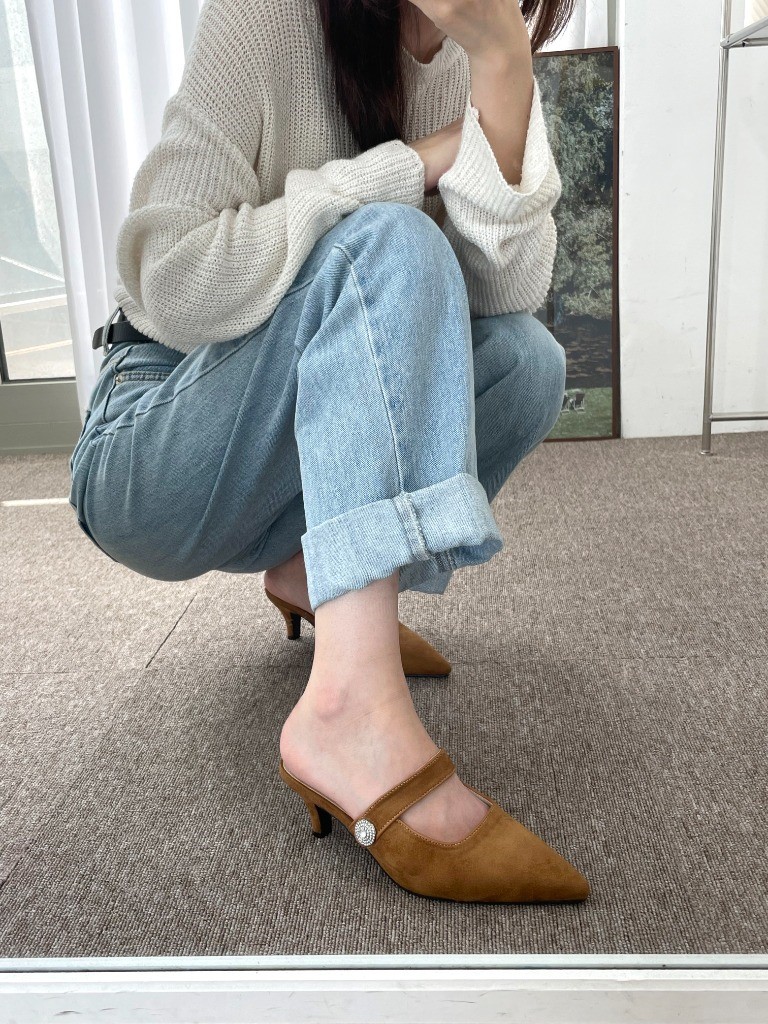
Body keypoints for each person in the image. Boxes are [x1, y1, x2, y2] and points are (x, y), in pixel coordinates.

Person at [69, 0, 589, 903]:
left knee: (526, 363)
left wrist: (505, 64)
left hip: (276, 439)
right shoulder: (267, 16)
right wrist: (412, 167)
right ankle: (348, 715)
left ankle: (316, 572)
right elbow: (168, 278)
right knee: (391, 241)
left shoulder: (482, 47)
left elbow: (505, 295)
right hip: (154, 432)